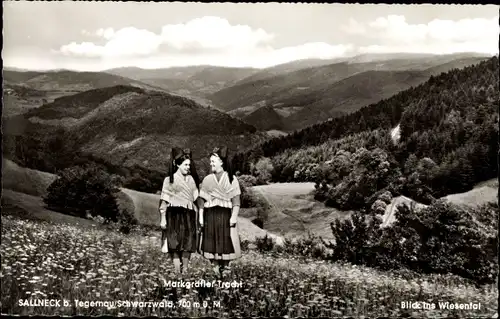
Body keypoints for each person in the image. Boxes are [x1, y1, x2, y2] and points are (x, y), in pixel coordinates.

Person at [197, 146, 242, 276]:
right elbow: (201, 200)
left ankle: (225, 274)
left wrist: (234, 217)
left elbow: (236, 201)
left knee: (226, 246)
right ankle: (215, 272)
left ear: (221, 162)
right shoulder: (207, 179)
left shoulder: (232, 179)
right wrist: (200, 216)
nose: (211, 164)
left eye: (213, 162)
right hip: (210, 216)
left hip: (225, 217)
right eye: (210, 162)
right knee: (212, 248)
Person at [159, 147, 200, 274]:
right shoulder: (168, 180)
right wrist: (163, 219)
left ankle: (185, 271)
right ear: (177, 165)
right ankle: (177, 271)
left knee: (187, 244)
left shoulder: (191, 180)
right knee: (174, 243)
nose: (188, 167)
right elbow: (164, 201)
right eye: (185, 165)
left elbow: (196, 198)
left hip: (188, 214)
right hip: (173, 214)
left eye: (189, 165)